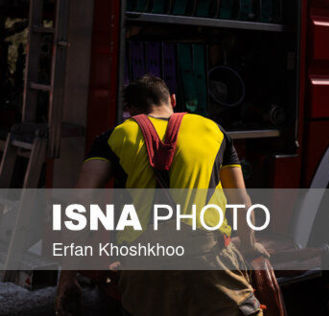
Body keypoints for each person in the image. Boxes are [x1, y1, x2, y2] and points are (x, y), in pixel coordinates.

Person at [55, 75, 268, 316]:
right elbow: (241, 201)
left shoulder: (113, 138)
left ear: (130, 110)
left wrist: (67, 276)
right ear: (173, 100)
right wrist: (250, 248)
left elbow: (81, 204)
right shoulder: (214, 132)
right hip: (210, 261)